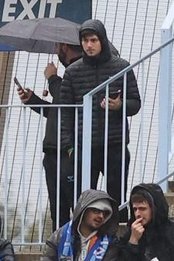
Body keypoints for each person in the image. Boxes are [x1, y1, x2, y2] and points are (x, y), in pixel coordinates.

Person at [59, 20, 138, 202]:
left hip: (115, 145)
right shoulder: (72, 72)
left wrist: (120, 105)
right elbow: (65, 114)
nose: (89, 45)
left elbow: (136, 103)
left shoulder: (121, 67)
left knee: (117, 200)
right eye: (85, 40)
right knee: (84, 202)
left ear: (102, 40)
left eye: (93, 40)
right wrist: (69, 147)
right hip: (83, 147)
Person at [17, 42, 83, 230]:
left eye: (57, 47)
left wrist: (52, 78)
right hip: (53, 151)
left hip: (69, 150)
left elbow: (64, 99)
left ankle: (80, 243)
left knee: (76, 205)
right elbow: (58, 111)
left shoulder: (81, 70)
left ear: (65, 47)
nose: (56, 50)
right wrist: (33, 100)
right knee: (57, 209)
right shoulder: (69, 73)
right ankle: (60, 244)